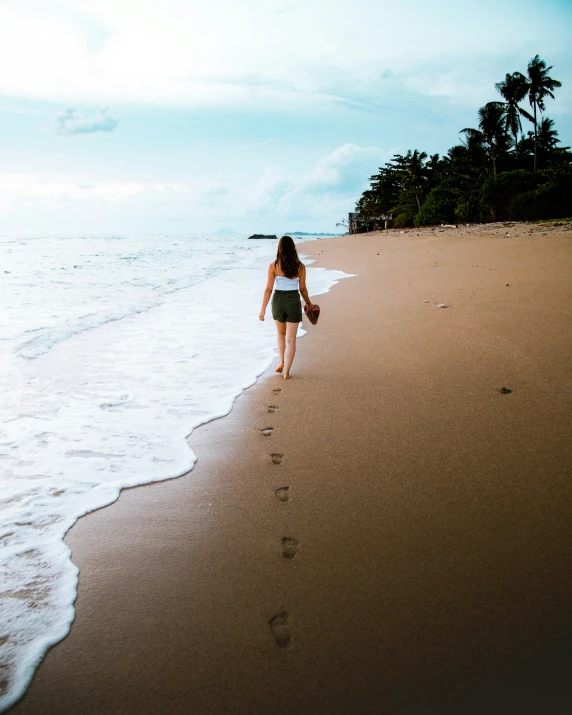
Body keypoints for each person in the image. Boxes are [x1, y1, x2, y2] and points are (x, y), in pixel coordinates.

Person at [259, 235, 314, 380]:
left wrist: (262, 309)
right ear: (293, 248)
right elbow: (303, 289)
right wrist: (309, 303)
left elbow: (268, 289)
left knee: (280, 334)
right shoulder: (300, 266)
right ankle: (286, 372)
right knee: (291, 339)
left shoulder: (274, 266)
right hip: (293, 301)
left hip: (278, 301)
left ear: (280, 248)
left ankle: (281, 361)